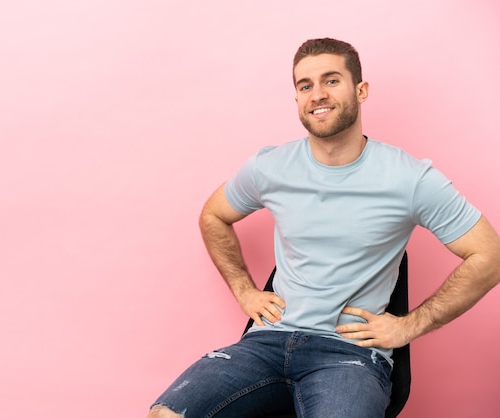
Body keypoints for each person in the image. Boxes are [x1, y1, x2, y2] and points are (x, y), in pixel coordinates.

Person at [147, 38, 500, 418]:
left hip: (347, 354)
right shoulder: (270, 167)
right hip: (266, 343)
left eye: (331, 81)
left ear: (360, 90)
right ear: (297, 98)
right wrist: (244, 290)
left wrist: (409, 326)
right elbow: (213, 215)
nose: (317, 94)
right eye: (305, 85)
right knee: (165, 414)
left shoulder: (409, 178)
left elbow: (490, 255)